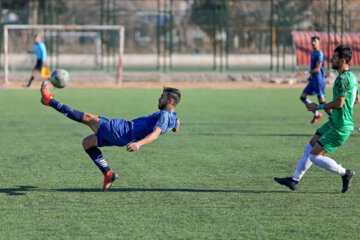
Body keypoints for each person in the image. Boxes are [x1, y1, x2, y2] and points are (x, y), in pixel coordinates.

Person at [40, 81, 181, 191]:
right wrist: (176, 126)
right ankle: (108, 174)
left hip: (122, 130)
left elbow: (155, 134)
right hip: (123, 136)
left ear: (171, 102)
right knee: (88, 142)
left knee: (88, 118)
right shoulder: (172, 117)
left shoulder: (165, 115)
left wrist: (139, 144)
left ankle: (49, 101)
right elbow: (175, 127)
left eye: (163, 97)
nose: (159, 98)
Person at [275, 45, 359, 193]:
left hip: (340, 126)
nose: (331, 60)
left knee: (314, 156)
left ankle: (345, 173)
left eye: (334, 58)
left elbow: (339, 103)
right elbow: (357, 98)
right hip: (334, 122)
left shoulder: (341, 79)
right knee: (310, 146)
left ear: (343, 60)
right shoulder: (353, 78)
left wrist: (318, 107)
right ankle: (294, 180)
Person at [296, 36, 332, 124]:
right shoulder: (313, 53)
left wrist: (305, 73)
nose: (313, 43)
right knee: (303, 97)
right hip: (313, 80)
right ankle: (316, 114)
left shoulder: (320, 54)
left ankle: (334, 117)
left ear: (319, 42)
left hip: (319, 81)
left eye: (315, 41)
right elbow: (313, 68)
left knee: (322, 102)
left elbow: (318, 68)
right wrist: (310, 77)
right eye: (312, 41)